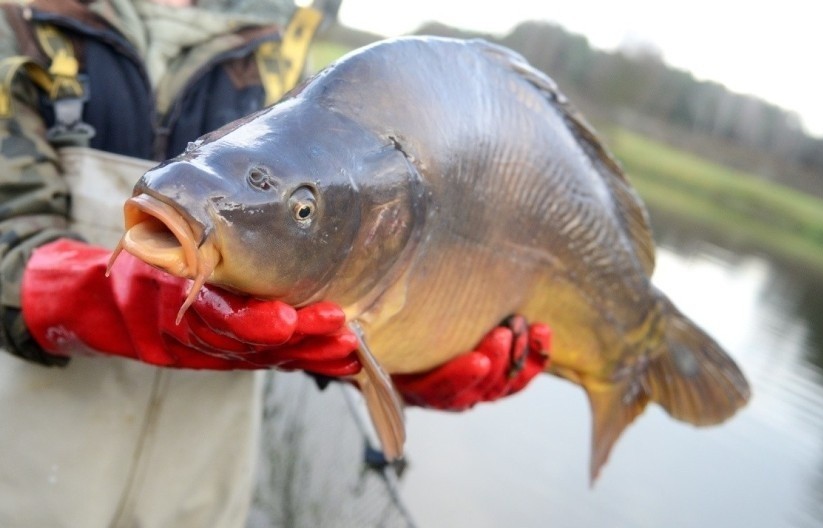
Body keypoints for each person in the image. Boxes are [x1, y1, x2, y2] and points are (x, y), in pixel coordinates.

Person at [0, 1, 550, 526]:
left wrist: (412, 354)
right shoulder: (22, 29)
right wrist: (103, 299)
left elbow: (315, 299)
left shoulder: (278, 54)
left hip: (201, 507)